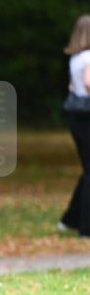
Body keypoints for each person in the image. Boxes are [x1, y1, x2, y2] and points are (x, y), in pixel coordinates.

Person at [59, 13, 90, 237]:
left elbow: (73, 87)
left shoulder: (75, 58)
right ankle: (85, 226)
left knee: (88, 170)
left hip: (77, 118)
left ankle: (70, 219)